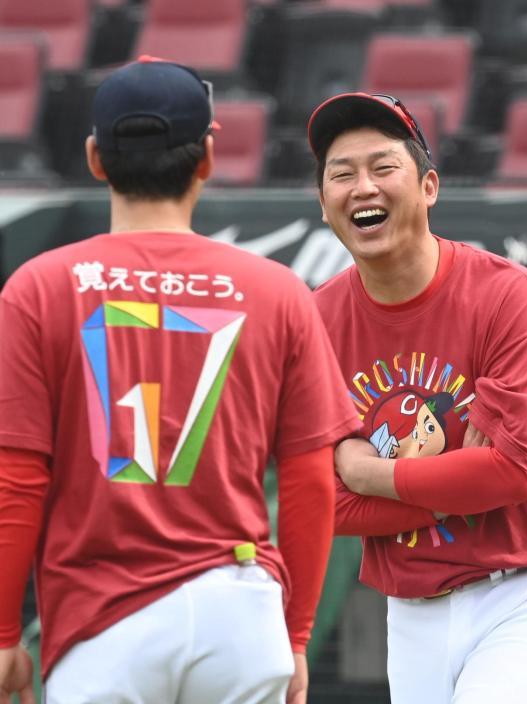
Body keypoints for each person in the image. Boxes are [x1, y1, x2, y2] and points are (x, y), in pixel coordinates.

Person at [0, 58, 360, 703]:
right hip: (239, 615)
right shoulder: (278, 291)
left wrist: (3, 636)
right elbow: (310, 481)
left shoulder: (39, 286)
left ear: (94, 158)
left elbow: (18, 476)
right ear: (208, 157)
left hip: (101, 623)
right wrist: (296, 637)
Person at [307, 92, 527, 704]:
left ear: (429, 187)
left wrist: (370, 471)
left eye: (384, 167)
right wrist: (452, 486)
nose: (362, 186)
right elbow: (320, 499)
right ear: (324, 204)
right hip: (413, 605)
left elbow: (513, 471)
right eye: (342, 174)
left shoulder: (506, 294)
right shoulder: (316, 320)